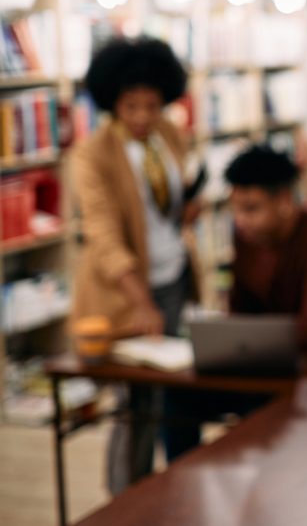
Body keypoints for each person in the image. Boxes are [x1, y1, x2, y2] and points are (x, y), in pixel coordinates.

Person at [162, 145, 307, 459]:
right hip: (268, 367)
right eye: (236, 210)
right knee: (177, 396)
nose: (241, 221)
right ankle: (184, 485)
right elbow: (241, 312)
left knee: (263, 419)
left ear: (284, 201)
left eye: (251, 209)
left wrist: (250, 335)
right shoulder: (248, 238)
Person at [70, 36, 199, 494]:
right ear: (111, 103)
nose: (143, 116)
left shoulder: (169, 133)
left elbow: (178, 190)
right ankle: (126, 505)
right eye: (131, 106)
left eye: (152, 104)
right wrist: (141, 303)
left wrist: (188, 207)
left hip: (176, 278)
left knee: (182, 395)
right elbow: (103, 236)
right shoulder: (93, 154)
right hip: (127, 292)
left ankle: (183, 491)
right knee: (135, 405)